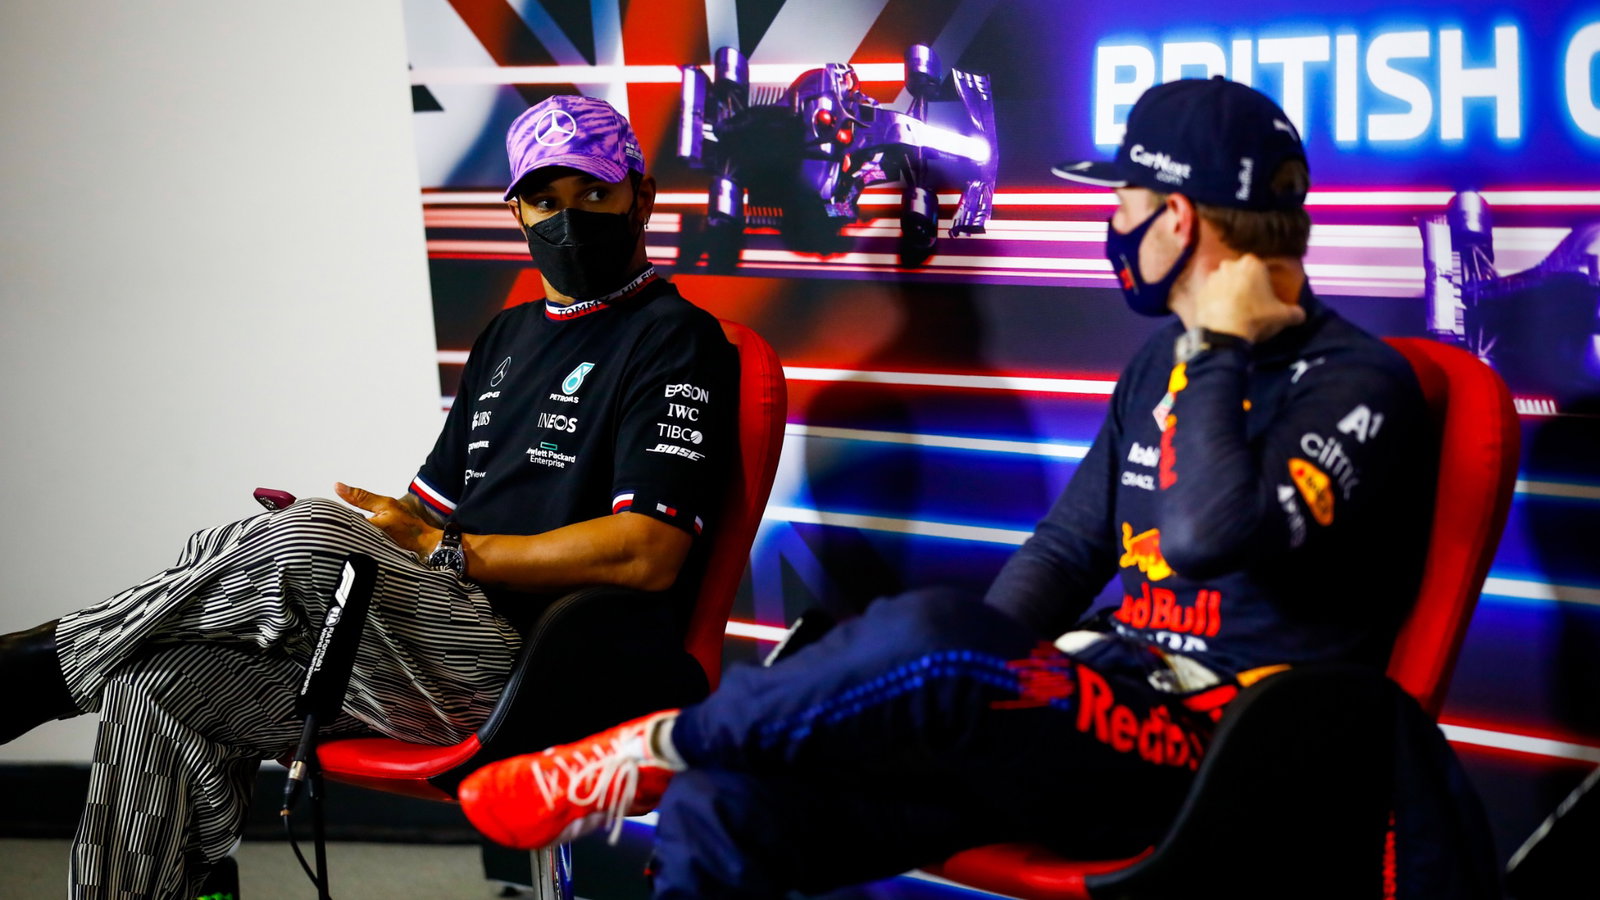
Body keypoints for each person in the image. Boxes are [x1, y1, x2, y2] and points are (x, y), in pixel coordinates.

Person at [455, 77, 1437, 898]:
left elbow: (1205, 534)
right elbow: (1063, 553)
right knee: (728, 809)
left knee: (936, 638)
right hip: (1090, 720)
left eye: (1125, 203)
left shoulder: (1360, 381)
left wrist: (1220, 346)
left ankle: (655, 744)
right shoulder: (1157, 367)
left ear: (1177, 218)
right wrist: (982, 681)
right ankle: (694, 759)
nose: (1111, 224)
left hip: (1220, 749)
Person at [0, 94, 737, 899]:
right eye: (546, 201)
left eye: (596, 195)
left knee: (306, 535)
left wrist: (436, 551)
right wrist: (388, 533)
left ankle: (52, 662)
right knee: (159, 681)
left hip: (550, 663)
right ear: (517, 210)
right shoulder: (506, 335)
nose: (570, 222)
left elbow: (649, 555)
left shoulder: (677, 339)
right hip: (433, 637)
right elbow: (430, 515)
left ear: (644, 195)